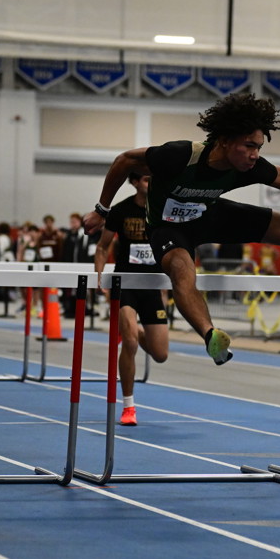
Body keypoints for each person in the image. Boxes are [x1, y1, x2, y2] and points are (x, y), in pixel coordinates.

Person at [82, 92, 280, 365]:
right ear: (224, 141)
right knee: (182, 272)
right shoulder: (180, 156)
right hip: (168, 228)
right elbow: (124, 160)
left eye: (259, 147)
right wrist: (101, 210)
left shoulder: (252, 167)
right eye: (249, 146)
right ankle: (211, 335)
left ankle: (209, 317)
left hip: (209, 216)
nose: (254, 154)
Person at [95, 172, 170, 426]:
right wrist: (99, 280)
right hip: (125, 284)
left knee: (160, 354)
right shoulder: (120, 210)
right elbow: (102, 247)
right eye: (147, 179)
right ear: (135, 182)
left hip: (152, 286)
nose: (151, 184)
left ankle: (135, 332)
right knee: (128, 343)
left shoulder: (163, 209)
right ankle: (128, 406)